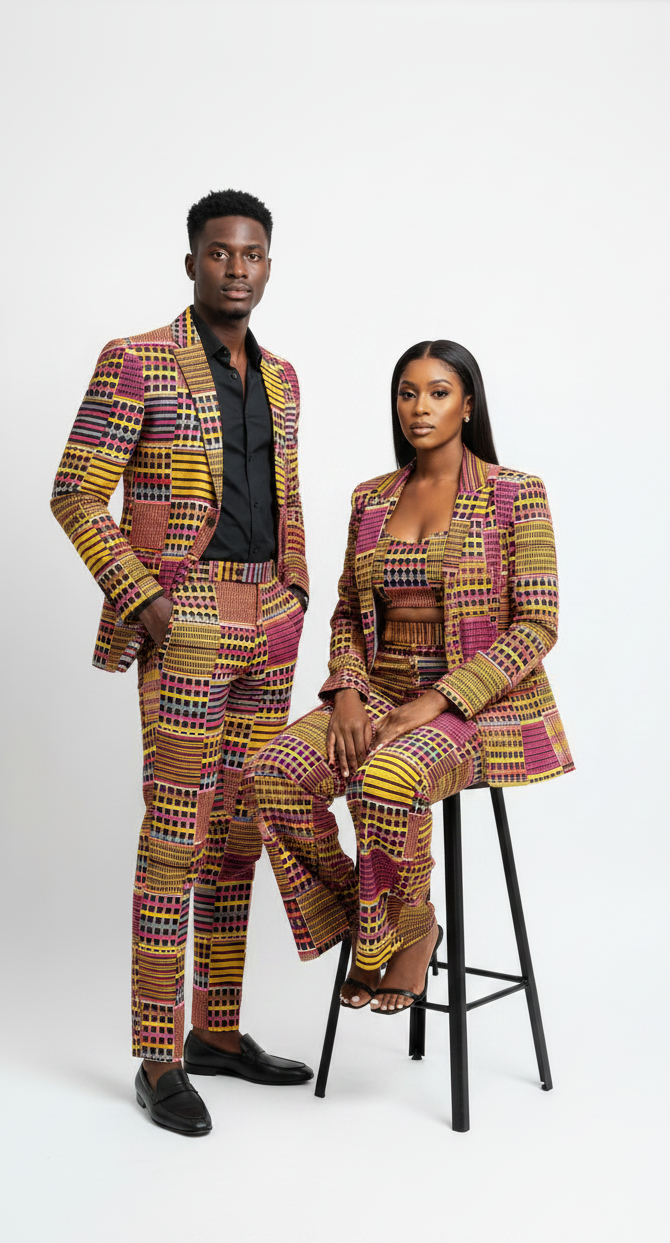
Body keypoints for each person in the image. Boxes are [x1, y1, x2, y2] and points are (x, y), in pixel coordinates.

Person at [51, 189, 313, 1136]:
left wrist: (297, 590)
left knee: (240, 832)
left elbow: (285, 493)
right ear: (192, 262)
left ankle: (219, 1032)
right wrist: (147, 602)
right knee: (176, 833)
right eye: (219, 253)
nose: (236, 268)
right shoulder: (137, 362)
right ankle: (159, 1056)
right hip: (187, 612)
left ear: (268, 266)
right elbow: (75, 492)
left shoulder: (282, 376)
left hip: (270, 612)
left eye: (252, 255)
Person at [248, 340, 573, 1015]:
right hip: (376, 693)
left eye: (438, 392)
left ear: (468, 404)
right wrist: (342, 694)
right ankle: (394, 924)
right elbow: (344, 611)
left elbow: (538, 624)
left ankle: (401, 932)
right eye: (407, 392)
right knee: (272, 775)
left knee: (386, 776)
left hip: (476, 708)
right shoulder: (370, 500)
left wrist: (442, 699)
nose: (419, 407)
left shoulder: (517, 494)